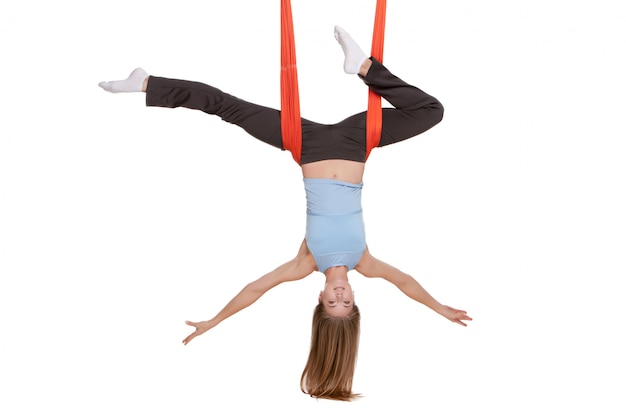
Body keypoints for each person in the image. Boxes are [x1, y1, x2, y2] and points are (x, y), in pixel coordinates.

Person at [99, 26, 472, 401]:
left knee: (228, 107)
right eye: (347, 302)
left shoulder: (306, 262)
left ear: (321, 297)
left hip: (304, 142)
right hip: (357, 140)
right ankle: (363, 67)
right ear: (355, 298)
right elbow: (406, 283)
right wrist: (440, 309)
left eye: (332, 302)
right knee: (432, 111)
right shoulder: (365, 261)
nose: (340, 294)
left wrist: (214, 321)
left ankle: (147, 83)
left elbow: (255, 289)